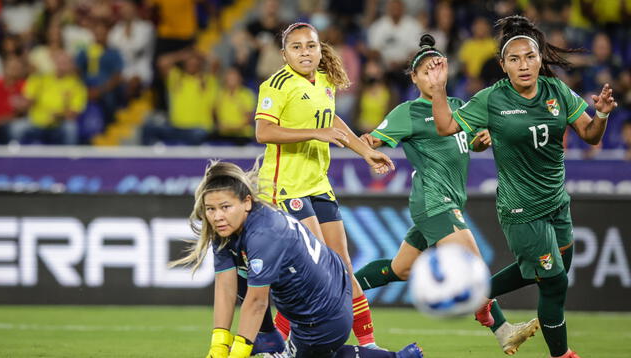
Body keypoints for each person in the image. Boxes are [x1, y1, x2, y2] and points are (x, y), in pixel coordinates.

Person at [426, 15, 617, 358]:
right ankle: (562, 354)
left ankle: (480, 294)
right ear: (503, 65)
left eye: (529, 57)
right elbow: (445, 126)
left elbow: (590, 135)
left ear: (540, 58)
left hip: (557, 202)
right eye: (514, 59)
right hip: (521, 208)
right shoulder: (492, 99)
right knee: (555, 281)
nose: (523, 65)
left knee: (547, 274)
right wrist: (440, 90)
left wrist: (601, 114)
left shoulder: (556, 90)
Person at [354, 34, 539, 356]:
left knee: (401, 269)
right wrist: (363, 146)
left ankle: (342, 290)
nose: (431, 76)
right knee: (473, 266)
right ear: (414, 77)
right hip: (432, 200)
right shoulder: (406, 112)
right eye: (424, 71)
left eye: (436, 69)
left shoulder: (456, 108)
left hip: (450, 200)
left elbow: (472, 144)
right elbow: (371, 139)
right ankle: (501, 328)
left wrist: (482, 140)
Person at [171, 161, 424, 358]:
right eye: (211, 209)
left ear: (247, 202)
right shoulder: (227, 227)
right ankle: (269, 336)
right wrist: (219, 342)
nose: (216, 217)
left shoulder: (264, 233)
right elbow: (226, 286)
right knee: (241, 274)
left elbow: (258, 302)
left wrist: (238, 350)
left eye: (225, 207)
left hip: (327, 314)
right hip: (319, 294)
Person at [254, 22, 395, 349]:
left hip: (318, 183)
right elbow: (263, 132)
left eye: (311, 46)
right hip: (286, 187)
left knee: (343, 265)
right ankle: (280, 347)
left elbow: (331, 121)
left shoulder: (325, 81)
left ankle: (369, 345)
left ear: (320, 49)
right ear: (284, 54)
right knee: (317, 269)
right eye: (297, 47)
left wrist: (366, 153)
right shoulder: (276, 85)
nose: (305, 52)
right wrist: (313, 133)